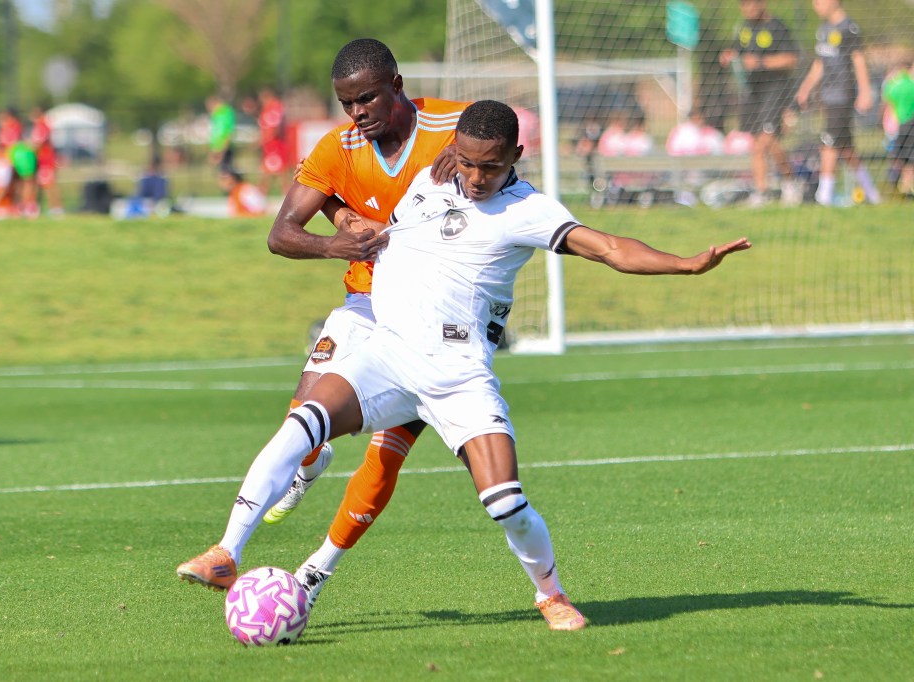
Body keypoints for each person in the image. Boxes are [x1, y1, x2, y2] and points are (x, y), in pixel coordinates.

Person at [176, 100, 752, 630]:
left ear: (515, 158)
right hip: (389, 352)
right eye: (470, 163)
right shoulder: (433, 175)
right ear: (455, 150)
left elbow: (607, 247)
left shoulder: (527, 209)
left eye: (492, 167)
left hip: (458, 375)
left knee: (505, 500)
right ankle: (228, 551)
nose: (477, 178)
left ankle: (550, 593)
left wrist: (685, 264)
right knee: (301, 425)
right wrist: (351, 224)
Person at [177, 37, 465, 580]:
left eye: (369, 100)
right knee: (300, 415)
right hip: (364, 304)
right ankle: (226, 551)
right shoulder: (340, 147)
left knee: (389, 451)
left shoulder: (451, 126)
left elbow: (500, 130)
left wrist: (469, 149)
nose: (358, 114)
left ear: (398, 87)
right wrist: (338, 239)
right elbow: (280, 234)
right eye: (347, 104)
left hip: (436, 320)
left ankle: (317, 572)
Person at [795, 0, 880, 206]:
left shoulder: (848, 28)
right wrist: (806, 88)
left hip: (842, 95)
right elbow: (820, 64)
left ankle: (824, 196)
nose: (816, 5)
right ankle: (872, 194)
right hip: (827, 95)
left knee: (828, 143)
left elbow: (858, 60)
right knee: (845, 147)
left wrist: (865, 92)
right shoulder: (823, 29)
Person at [719, 0, 802, 206]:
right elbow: (737, 51)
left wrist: (761, 63)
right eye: (743, 5)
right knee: (762, 143)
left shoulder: (777, 26)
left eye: (750, 4)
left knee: (762, 143)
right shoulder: (743, 28)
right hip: (752, 92)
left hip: (775, 90)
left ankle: (771, 188)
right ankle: (777, 187)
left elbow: (792, 59)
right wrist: (729, 55)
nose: (747, 9)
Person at [881, 60, 914, 197]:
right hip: (906, 125)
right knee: (906, 157)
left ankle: (903, 184)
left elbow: (887, 103)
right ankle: (904, 184)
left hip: (894, 125)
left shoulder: (892, 84)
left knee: (899, 157)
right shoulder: (909, 84)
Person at [29, 105, 64, 216]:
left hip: (46, 161)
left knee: (49, 185)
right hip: (43, 160)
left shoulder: (42, 126)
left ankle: (56, 209)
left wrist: (30, 150)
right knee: (43, 185)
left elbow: (38, 144)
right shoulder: (42, 125)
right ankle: (45, 208)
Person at [256, 87, 291, 197]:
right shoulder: (267, 108)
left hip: (275, 144)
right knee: (268, 169)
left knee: (280, 171)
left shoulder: (274, 107)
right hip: (269, 144)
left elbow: (275, 127)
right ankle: (262, 193)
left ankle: (286, 193)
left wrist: (265, 139)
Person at [206, 94, 236, 170]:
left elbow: (228, 131)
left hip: (224, 147)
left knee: (227, 171)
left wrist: (223, 149)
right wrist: (213, 149)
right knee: (223, 171)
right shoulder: (216, 114)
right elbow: (216, 132)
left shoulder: (226, 112)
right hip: (218, 147)